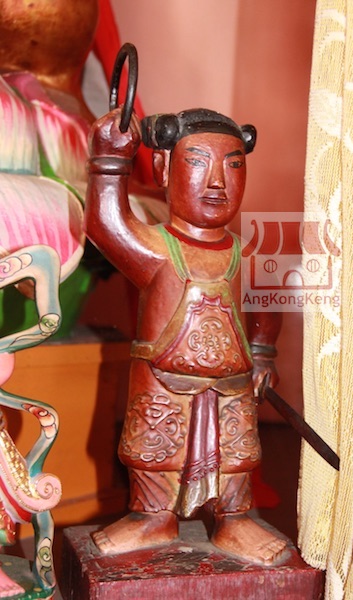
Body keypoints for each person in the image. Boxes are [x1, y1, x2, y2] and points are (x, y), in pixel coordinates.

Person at [84, 106, 286, 565]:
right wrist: (110, 162)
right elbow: (105, 226)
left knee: (236, 454)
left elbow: (267, 306)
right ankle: (152, 517)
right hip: (161, 381)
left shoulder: (246, 255)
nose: (217, 181)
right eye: (197, 162)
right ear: (163, 168)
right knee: (153, 449)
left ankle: (235, 519)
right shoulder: (156, 248)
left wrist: (263, 354)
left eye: (234, 165)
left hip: (233, 385)